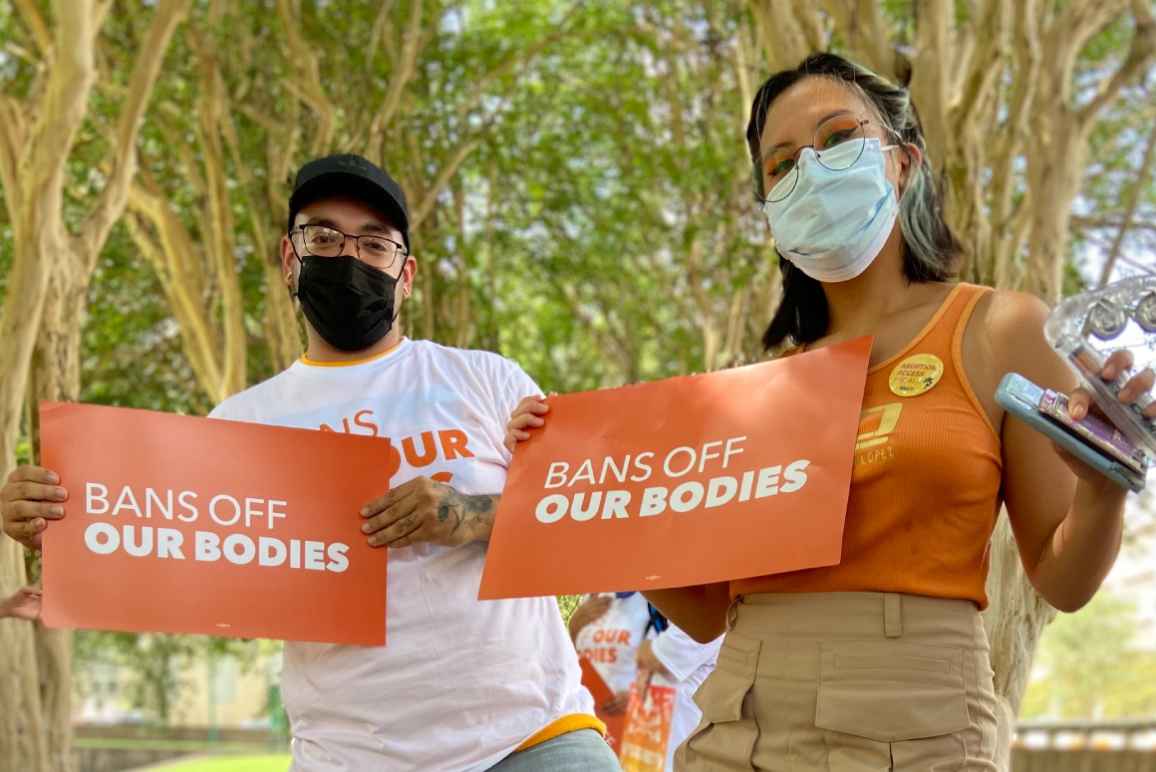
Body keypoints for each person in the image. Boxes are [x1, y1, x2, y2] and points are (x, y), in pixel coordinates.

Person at [508, 53, 1156, 771]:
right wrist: (582, 479)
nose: (810, 170)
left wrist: (1102, 486)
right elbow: (703, 609)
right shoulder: (754, 388)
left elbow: (1062, 581)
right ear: (769, 208)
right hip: (736, 726)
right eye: (781, 165)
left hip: (917, 727)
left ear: (903, 162)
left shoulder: (1000, 329)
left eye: (838, 138)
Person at [1, 154, 617, 772]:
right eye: (324, 237)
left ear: (406, 275)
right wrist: (76, 539)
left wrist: (470, 513)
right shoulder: (239, 423)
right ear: (290, 259)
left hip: (534, 740)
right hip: (348, 757)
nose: (349, 258)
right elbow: (219, 591)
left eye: (375, 244)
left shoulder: (486, 379)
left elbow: (586, 521)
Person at [570, 592, 721, 772]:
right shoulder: (595, 596)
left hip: (659, 736)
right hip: (604, 731)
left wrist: (635, 695)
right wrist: (574, 626)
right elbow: (576, 660)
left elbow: (670, 656)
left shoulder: (675, 596)